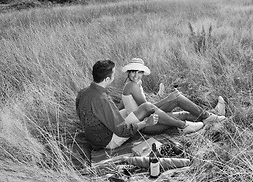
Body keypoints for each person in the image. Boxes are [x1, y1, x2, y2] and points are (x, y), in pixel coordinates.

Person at [76, 59, 204, 150]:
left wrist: (115, 115)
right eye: (113, 74)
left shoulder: (82, 93)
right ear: (107, 79)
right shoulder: (103, 99)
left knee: (135, 110)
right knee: (147, 107)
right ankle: (184, 125)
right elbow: (121, 131)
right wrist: (145, 123)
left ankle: (203, 117)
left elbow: (87, 116)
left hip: (95, 138)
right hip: (108, 140)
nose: (115, 77)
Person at [121, 58, 226, 134]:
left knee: (177, 98)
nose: (136, 75)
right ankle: (212, 117)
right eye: (133, 72)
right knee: (183, 114)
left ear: (143, 73)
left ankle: (209, 116)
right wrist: (167, 99)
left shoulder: (134, 83)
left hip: (148, 116)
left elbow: (122, 105)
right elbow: (147, 108)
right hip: (146, 124)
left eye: (139, 72)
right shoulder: (131, 85)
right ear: (128, 72)